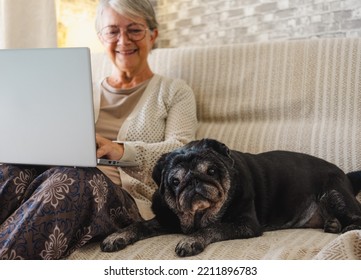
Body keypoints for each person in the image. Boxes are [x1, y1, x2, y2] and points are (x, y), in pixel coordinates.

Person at [0, 0, 197, 260]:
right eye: (112, 31)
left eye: (134, 30)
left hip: (125, 199)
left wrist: (120, 150)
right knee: (11, 169)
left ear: (153, 34)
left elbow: (183, 155)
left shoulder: (174, 91)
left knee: (73, 180)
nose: (123, 40)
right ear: (101, 38)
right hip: (52, 180)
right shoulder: (77, 88)